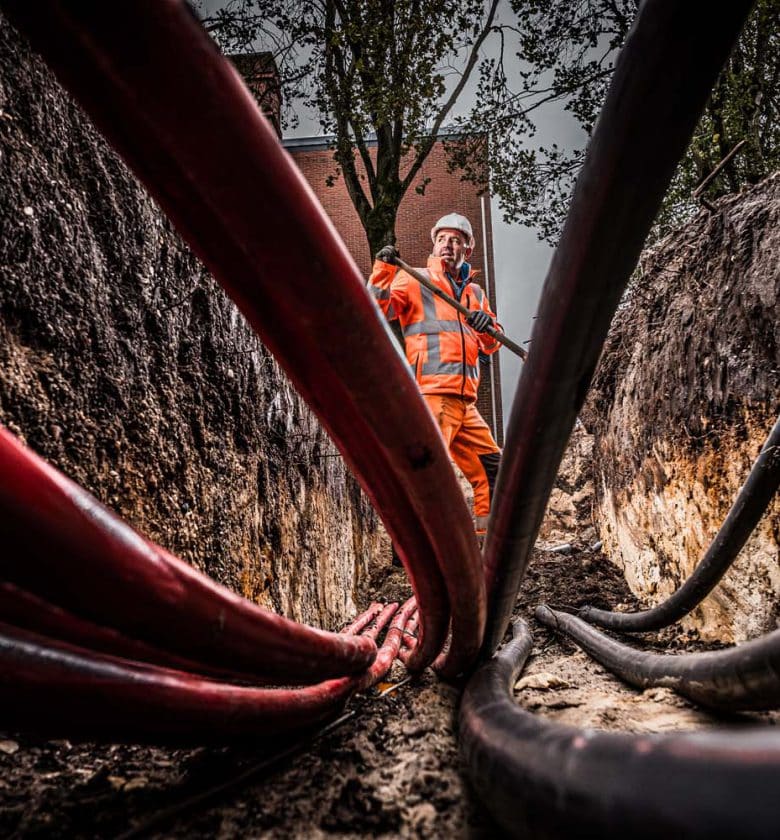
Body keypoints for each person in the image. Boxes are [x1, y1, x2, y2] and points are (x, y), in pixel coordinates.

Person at [368, 213, 502, 540]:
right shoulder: (415, 279)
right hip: (432, 397)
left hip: (465, 405)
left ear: (467, 250)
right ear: (434, 243)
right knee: (427, 476)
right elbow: (375, 308)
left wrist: (488, 330)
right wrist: (383, 269)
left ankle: (487, 546)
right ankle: (413, 550)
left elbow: (492, 344)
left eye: (455, 240)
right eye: (442, 239)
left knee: (494, 472)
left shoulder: (475, 294)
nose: (447, 245)